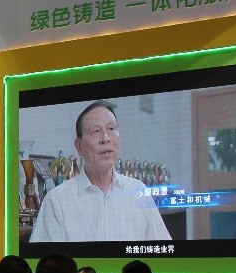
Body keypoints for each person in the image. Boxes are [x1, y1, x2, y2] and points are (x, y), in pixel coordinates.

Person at [30, 100, 171, 243]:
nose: (105, 138)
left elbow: (162, 249)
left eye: (111, 129)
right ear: (79, 146)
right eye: (96, 131)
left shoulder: (139, 192)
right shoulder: (56, 200)